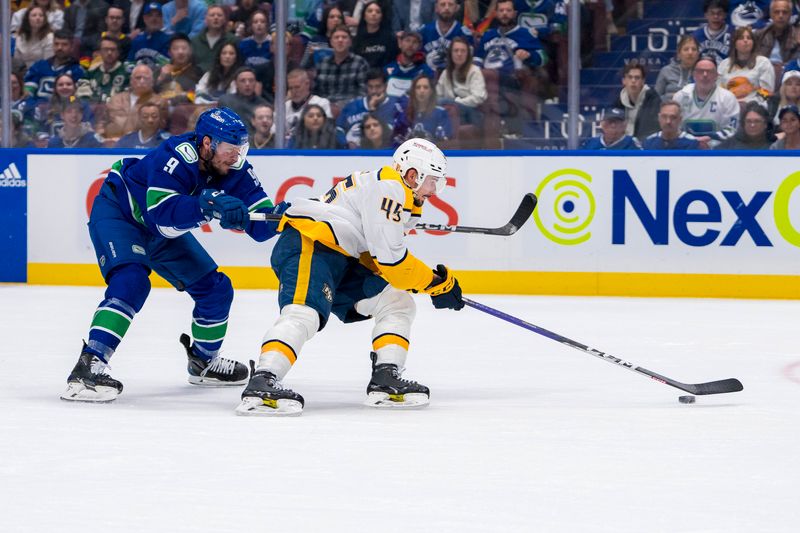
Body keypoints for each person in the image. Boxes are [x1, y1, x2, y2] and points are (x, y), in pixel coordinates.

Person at [61, 107, 289, 403]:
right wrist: (208, 205)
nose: (236, 156)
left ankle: (204, 362)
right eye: (230, 149)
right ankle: (89, 365)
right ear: (207, 143)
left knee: (216, 290)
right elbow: (160, 215)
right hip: (121, 211)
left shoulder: (236, 168)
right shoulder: (177, 154)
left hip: (160, 229)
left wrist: (279, 218)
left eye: (240, 149)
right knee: (132, 281)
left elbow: (259, 225)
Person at [235, 138, 463, 416]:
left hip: (344, 256)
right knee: (304, 313)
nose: (435, 190)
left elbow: (378, 259)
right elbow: (392, 261)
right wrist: (436, 284)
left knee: (396, 301)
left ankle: (386, 377)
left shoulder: (394, 193)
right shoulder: (390, 189)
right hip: (313, 242)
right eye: (433, 181)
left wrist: (429, 284)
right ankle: (263, 380)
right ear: (412, 175)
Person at [473, 0, 546, 133]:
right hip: (486, 79)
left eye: (508, 10)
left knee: (489, 76)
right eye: (501, 11)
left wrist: (528, 55)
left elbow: (543, 58)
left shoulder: (525, 34)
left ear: (515, 13)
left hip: (512, 79)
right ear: (495, 14)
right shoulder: (488, 35)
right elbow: (477, 58)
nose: (505, 14)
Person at [673, 55, 739, 148]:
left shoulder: (728, 98)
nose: (705, 75)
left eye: (710, 72)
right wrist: (691, 142)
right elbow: (672, 127)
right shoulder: (681, 96)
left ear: (717, 75)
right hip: (685, 149)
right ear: (694, 74)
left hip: (717, 151)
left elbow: (732, 130)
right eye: (700, 71)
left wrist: (709, 139)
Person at [337, 69, 402, 147]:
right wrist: (346, 143)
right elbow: (339, 129)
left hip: (386, 153)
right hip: (352, 154)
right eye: (370, 87)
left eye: (378, 87)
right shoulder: (352, 106)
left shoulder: (397, 104)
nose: (374, 91)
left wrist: (372, 108)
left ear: (386, 86)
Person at [102, 63, 167, 141]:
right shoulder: (116, 99)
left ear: (152, 82)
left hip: (138, 146)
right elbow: (102, 123)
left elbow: (158, 129)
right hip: (110, 143)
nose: (142, 81)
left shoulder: (159, 102)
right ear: (131, 80)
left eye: (146, 78)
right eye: (138, 78)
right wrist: (101, 139)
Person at [718, 26, 774, 109]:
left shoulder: (763, 62)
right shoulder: (724, 64)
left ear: (753, 43)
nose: (745, 40)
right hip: (728, 107)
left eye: (749, 38)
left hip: (755, 107)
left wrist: (752, 104)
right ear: (735, 44)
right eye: (741, 38)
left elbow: (767, 91)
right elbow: (719, 92)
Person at [314, 25, 370, 108]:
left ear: (350, 42)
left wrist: (342, 106)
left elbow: (363, 93)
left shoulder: (360, 63)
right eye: (336, 37)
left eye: (344, 37)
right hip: (324, 110)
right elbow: (316, 92)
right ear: (331, 42)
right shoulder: (322, 64)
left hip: (351, 109)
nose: (340, 40)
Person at [24, 30, 86, 103]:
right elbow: (28, 92)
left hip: (64, 110)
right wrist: (32, 107)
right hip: (38, 109)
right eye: (56, 44)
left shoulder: (77, 70)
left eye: (64, 44)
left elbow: (78, 98)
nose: (59, 48)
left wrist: (69, 105)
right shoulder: (39, 66)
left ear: (72, 47)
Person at [436, 35, 487, 126]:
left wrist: (455, 103)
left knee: (445, 102)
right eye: (456, 51)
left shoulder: (475, 71)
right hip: (450, 112)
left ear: (467, 54)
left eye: (463, 51)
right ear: (450, 53)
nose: (459, 54)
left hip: (471, 113)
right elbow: (437, 95)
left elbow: (478, 97)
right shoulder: (446, 73)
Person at [396, 73, 453, 142]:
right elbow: (398, 139)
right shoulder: (404, 113)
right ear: (413, 91)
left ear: (431, 91)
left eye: (425, 87)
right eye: (418, 87)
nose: (422, 91)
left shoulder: (441, 113)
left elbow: (444, 141)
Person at [421, 0, 473, 72]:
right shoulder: (424, 31)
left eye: (450, 5)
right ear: (436, 8)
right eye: (443, 4)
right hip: (428, 77)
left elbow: (468, 62)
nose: (447, 8)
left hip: (455, 76)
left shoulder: (464, 33)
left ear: (456, 8)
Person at [154, 33, 203, 105]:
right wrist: (161, 78)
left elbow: (196, 95)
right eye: (175, 49)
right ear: (169, 53)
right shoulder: (160, 71)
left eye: (184, 48)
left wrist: (169, 101)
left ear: (190, 51)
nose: (180, 52)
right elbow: (149, 93)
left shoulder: (197, 72)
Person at [384, 30, 436, 98]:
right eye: (407, 40)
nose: (410, 45)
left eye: (415, 42)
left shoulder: (426, 71)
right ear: (400, 44)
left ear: (419, 47)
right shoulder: (387, 69)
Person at [283, 68, 333, 137]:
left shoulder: (321, 103)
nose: (294, 91)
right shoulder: (285, 106)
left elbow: (327, 131)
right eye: (291, 88)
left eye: (297, 87)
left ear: (307, 84)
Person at [218, 67, 270, 133]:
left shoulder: (263, 105)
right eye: (243, 81)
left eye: (251, 80)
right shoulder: (225, 101)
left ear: (255, 83)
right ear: (235, 83)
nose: (247, 84)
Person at [81, 36, 129, 103]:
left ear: (118, 52)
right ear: (100, 52)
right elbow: (82, 96)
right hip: (92, 111)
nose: (109, 53)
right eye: (105, 49)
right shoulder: (91, 72)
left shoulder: (127, 73)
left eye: (113, 50)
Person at [191, 5, 238, 72]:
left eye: (219, 15)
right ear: (206, 19)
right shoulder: (195, 41)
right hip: (198, 78)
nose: (216, 18)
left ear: (224, 19)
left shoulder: (232, 40)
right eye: (212, 15)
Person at [353, 1, 399, 69]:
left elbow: (393, 61)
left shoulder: (391, 38)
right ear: (364, 16)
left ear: (382, 17)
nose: (373, 14)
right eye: (370, 11)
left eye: (378, 12)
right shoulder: (357, 40)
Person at [655, 35, 700, 102]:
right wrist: (670, 98)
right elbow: (655, 98)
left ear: (698, 54)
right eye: (686, 49)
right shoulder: (666, 71)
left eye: (694, 49)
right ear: (679, 54)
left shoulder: (703, 73)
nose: (690, 52)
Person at [127, 2, 171, 68]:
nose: (154, 19)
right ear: (144, 18)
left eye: (158, 15)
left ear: (162, 19)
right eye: (150, 15)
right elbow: (129, 63)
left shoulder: (168, 39)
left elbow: (168, 65)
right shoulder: (137, 40)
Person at [754, 0, 798, 67]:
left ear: (790, 14)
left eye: (785, 12)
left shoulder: (797, 37)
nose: (780, 16)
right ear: (771, 14)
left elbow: (796, 65)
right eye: (776, 12)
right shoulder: (759, 35)